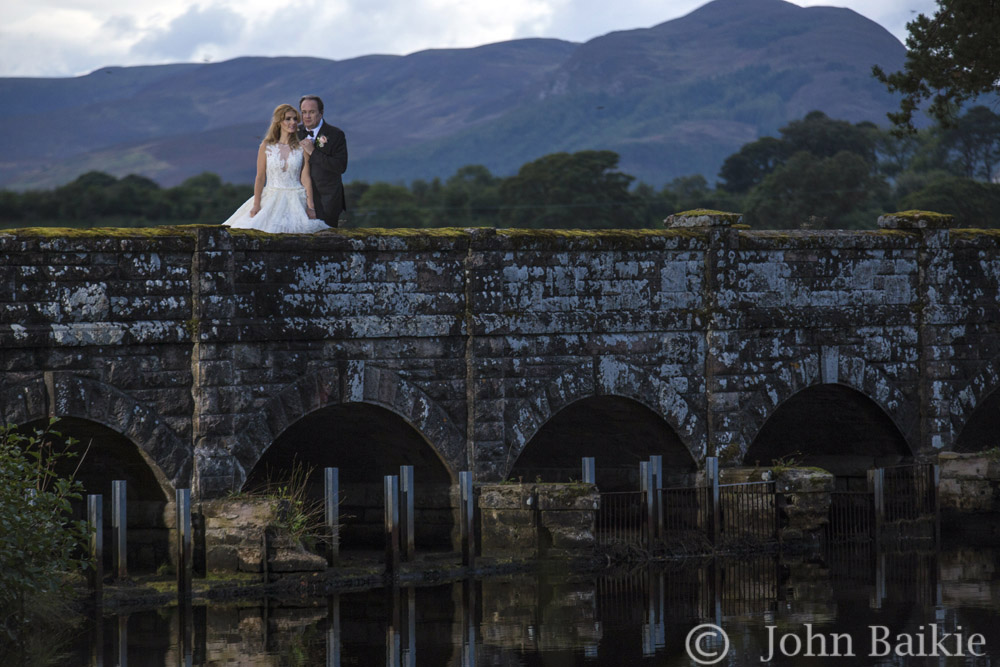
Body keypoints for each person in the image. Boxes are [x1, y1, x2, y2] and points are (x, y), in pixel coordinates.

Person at [222, 104, 329, 233]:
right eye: (288, 119)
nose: (293, 122)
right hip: (271, 197)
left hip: (296, 199)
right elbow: (260, 177)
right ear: (279, 122)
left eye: (295, 119)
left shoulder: (302, 148)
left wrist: (311, 207)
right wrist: (256, 204)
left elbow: (305, 177)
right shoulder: (266, 146)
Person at [298, 94, 348, 226]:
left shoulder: (336, 134)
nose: (307, 116)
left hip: (327, 201)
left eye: (312, 112)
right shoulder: (294, 133)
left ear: (321, 113)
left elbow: (340, 166)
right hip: (298, 200)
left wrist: (313, 152)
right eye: (304, 112)